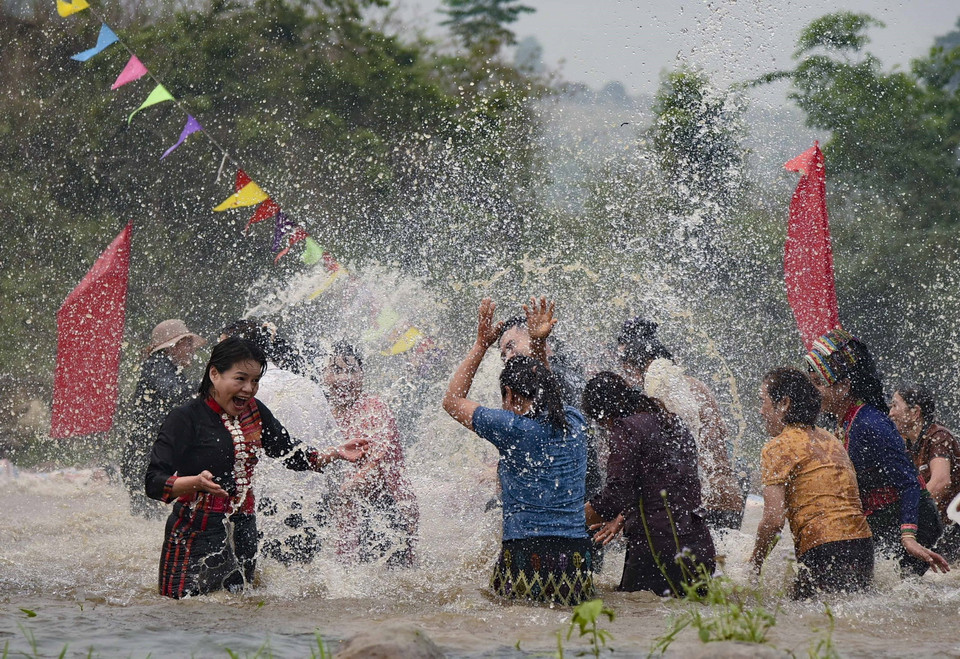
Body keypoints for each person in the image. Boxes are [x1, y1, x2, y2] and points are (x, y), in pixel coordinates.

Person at [144, 336, 367, 598]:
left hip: (243, 528)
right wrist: (194, 483)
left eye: (255, 381)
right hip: (194, 532)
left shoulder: (255, 412)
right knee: (180, 609)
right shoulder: (185, 418)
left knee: (240, 608)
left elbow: (289, 452)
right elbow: (154, 481)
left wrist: (334, 454)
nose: (249, 389)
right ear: (214, 374)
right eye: (240, 379)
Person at [442, 298, 595, 606]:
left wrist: (480, 345)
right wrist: (540, 344)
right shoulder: (576, 423)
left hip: (526, 553)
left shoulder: (509, 427)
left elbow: (452, 400)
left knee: (517, 628)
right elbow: (550, 392)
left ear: (509, 394)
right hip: (577, 558)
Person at [804, 329, 949, 576]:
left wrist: (909, 537)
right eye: (811, 383)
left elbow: (909, 484)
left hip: (914, 525)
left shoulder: (870, 422)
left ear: (845, 386)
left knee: (900, 596)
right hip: (880, 521)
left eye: (819, 383)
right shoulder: (843, 422)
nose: (812, 391)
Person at [582, 371, 715, 596]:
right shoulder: (675, 422)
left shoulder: (625, 428)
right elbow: (664, 484)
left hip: (657, 550)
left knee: (633, 620)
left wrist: (568, 519)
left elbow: (615, 494)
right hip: (698, 546)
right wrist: (623, 516)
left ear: (604, 415)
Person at [219, 319, 338, 563]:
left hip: (262, 504)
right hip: (312, 502)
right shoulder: (310, 387)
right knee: (303, 587)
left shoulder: (240, 394)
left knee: (252, 588)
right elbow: (332, 448)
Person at [750, 367, 874, 599]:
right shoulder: (830, 439)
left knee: (805, 624)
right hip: (863, 545)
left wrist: (753, 567)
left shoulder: (778, 447)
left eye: (763, 401)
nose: (760, 410)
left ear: (783, 404)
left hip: (824, 548)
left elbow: (774, 521)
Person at [617, 317, 745, 532]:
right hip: (727, 495)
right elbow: (718, 436)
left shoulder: (653, 395)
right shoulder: (698, 386)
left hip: (693, 505)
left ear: (635, 367)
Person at [324, 341, 419, 567]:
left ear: (362, 374)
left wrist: (347, 489)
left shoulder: (374, 407)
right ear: (323, 374)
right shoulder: (321, 410)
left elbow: (378, 459)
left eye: (351, 371)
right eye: (336, 371)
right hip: (341, 512)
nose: (344, 379)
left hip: (382, 508)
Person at [120, 319, 205, 519]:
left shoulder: (170, 368)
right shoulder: (156, 365)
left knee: (148, 519)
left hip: (146, 455)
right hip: (143, 459)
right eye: (188, 344)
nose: (192, 350)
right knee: (147, 518)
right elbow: (175, 393)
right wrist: (209, 383)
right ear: (173, 346)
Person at [890, 384, 960, 561]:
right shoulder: (907, 443)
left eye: (894, 405)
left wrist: (908, 516)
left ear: (915, 412)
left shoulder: (939, 437)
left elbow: (941, 482)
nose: (890, 413)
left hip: (954, 529)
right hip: (939, 528)